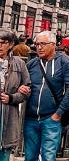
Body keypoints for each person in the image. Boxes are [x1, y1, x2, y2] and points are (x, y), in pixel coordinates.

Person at [24, 31, 69, 161]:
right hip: (30, 119)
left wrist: (58, 114)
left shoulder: (64, 62)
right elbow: (22, 82)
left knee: (48, 157)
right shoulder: (32, 63)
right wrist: (22, 87)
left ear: (53, 45)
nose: (39, 47)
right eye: (37, 44)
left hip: (51, 118)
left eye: (43, 44)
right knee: (30, 157)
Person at [0, 30, 31, 161]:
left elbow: (27, 89)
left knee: (4, 153)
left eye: (3, 43)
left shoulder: (19, 63)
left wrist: (12, 98)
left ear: (11, 45)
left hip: (8, 115)